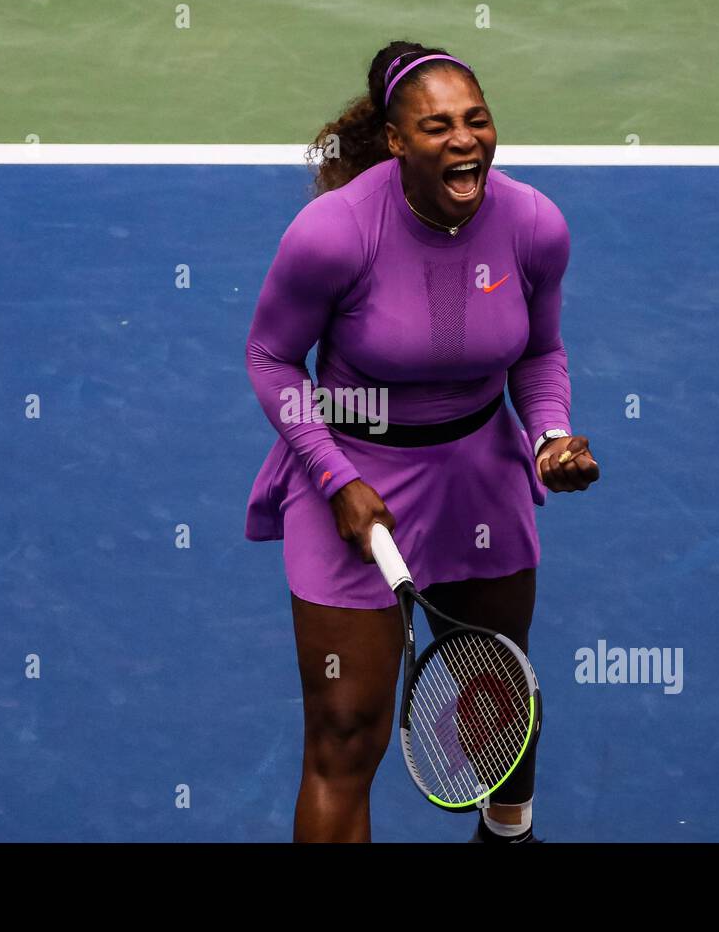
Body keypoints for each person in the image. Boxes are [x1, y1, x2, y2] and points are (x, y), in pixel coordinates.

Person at [244, 41, 600, 843]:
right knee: (342, 733)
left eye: (477, 120)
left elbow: (540, 351)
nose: (465, 139)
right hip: (354, 476)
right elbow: (270, 356)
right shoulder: (334, 234)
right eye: (437, 126)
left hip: (481, 477)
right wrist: (335, 480)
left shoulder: (535, 224)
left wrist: (548, 438)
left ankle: (508, 836)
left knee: (498, 695)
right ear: (397, 141)